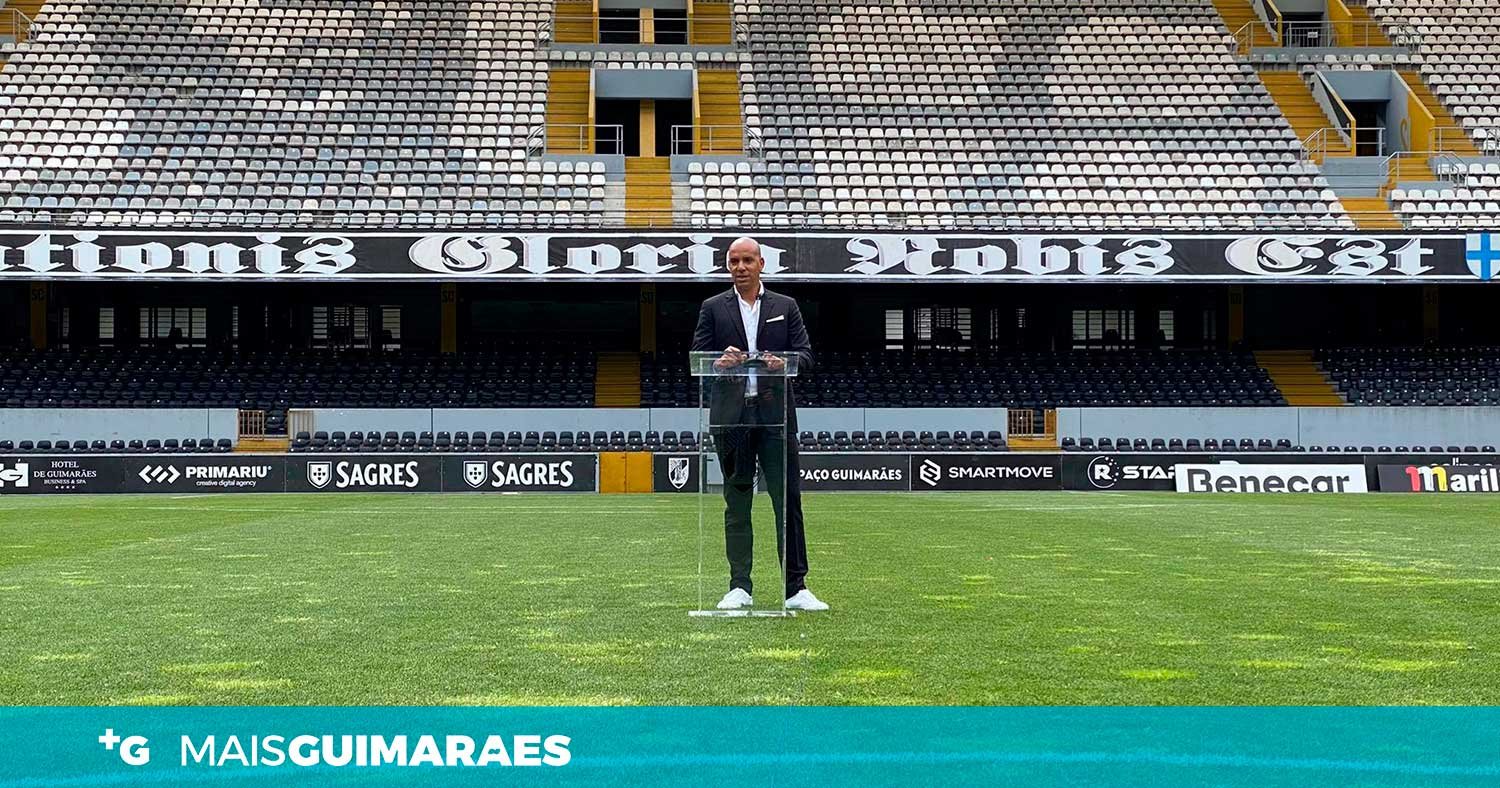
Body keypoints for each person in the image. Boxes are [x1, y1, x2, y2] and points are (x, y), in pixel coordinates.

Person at [691, 237, 828, 612]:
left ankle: (796, 587)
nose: (740, 267)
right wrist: (718, 362)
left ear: (761, 264)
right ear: (728, 265)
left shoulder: (786, 306)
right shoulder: (712, 308)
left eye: (747, 260)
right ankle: (739, 586)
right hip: (731, 421)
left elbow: (806, 355)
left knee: (788, 503)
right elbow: (698, 355)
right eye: (734, 261)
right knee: (737, 504)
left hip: (775, 420)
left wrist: (786, 363)